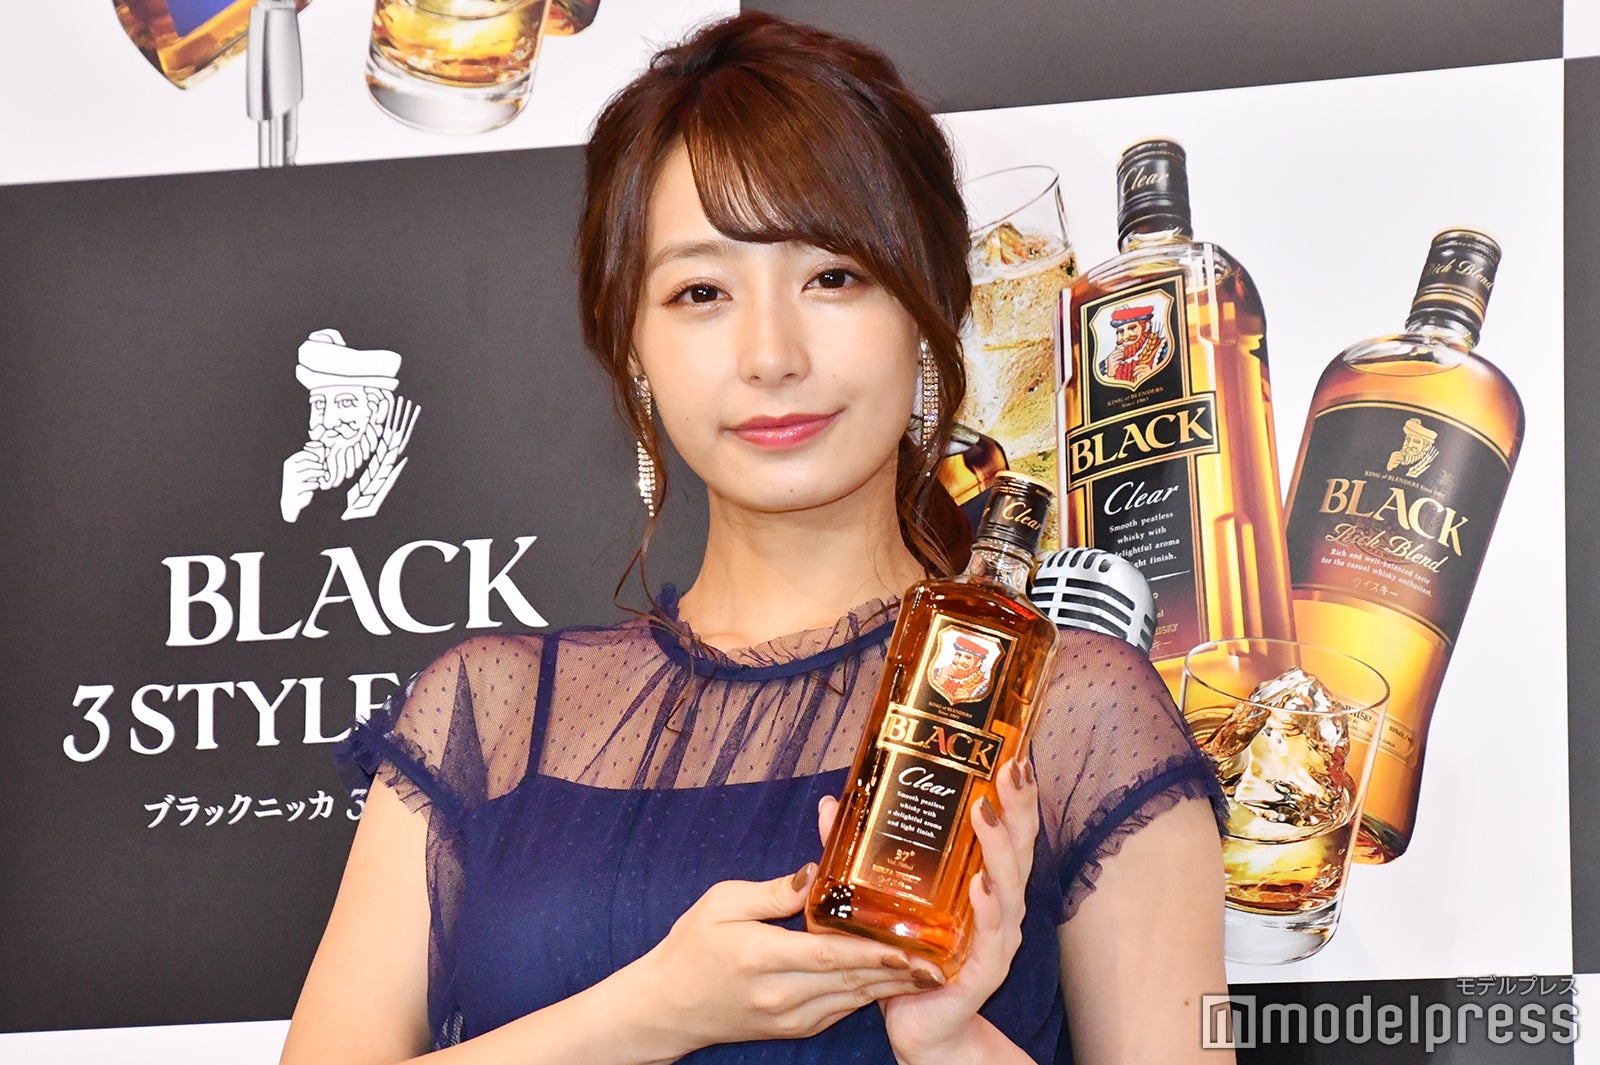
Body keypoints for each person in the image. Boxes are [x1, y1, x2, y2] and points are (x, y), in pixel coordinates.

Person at [280, 12, 1231, 1064]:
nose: (771, 354)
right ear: (631, 345)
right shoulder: (492, 714)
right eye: (701, 292)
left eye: (833, 277)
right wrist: (647, 1014)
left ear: (925, 313)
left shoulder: (1075, 710)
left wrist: (954, 1043)